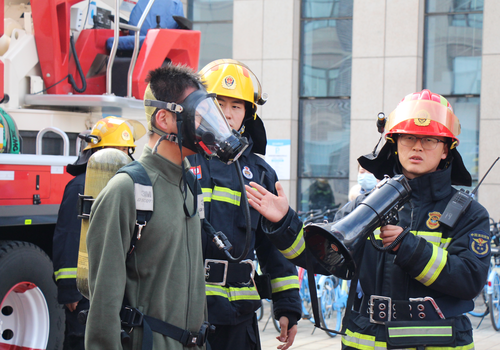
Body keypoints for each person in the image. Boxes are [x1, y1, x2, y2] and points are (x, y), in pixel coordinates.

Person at [245, 89, 491, 349]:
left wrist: (408, 247)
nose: (417, 146)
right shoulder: (364, 206)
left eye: (429, 139)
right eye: (408, 137)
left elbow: (470, 281)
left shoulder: (468, 214)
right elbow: (324, 257)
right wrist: (285, 221)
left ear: (446, 150)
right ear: (395, 144)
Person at [84, 63, 248, 350]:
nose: (209, 124)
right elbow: (103, 306)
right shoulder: (127, 189)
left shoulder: (187, 184)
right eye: (199, 114)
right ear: (164, 119)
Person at [187, 59, 301, 350]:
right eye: (219, 103)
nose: (227, 113)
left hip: (239, 318)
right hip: (185, 310)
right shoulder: (182, 160)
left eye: (236, 106)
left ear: (248, 113)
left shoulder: (260, 173)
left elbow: (272, 246)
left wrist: (287, 306)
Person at [52, 116, 145, 350]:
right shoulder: (81, 186)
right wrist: (70, 289)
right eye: (116, 148)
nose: (121, 154)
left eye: (125, 149)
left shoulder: (127, 186)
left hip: (114, 287)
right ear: (97, 150)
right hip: (85, 292)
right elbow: (69, 236)